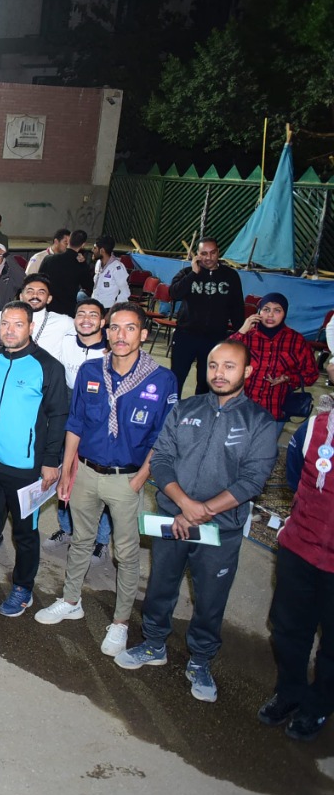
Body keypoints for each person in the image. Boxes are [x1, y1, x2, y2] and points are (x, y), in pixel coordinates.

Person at [115, 341, 276, 703]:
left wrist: (203, 511)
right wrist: (185, 504)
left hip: (220, 529)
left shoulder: (260, 422)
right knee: (161, 585)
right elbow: (161, 459)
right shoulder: (186, 408)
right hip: (173, 518)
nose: (219, 373)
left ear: (247, 372)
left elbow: (252, 481)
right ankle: (154, 643)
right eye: (213, 365)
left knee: (210, 597)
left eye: (229, 366)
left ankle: (201, 659)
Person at [36, 304, 178, 656]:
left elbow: (163, 437)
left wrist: (140, 479)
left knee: (126, 554)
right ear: (106, 331)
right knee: (81, 540)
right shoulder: (90, 371)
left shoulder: (162, 379)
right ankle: (71, 600)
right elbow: (75, 424)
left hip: (126, 479)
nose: (120, 335)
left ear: (143, 334)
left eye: (130, 328)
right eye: (114, 327)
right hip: (85, 471)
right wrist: (68, 470)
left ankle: (120, 622)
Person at [0, 301, 69, 615]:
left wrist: (50, 461)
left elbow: (58, 417)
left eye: (18, 324)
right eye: (5, 324)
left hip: (25, 468)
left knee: (25, 532)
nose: (10, 330)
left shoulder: (48, 367)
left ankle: (23, 587)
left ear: (31, 327)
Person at [261, 394, 334, 741]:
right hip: (300, 550)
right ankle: (289, 692)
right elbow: (294, 480)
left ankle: (319, 704)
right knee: (288, 629)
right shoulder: (312, 430)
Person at [48, 298, 110, 557]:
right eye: (81, 314)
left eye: (93, 315)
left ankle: (101, 539)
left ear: (103, 321)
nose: (86, 319)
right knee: (65, 472)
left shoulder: (111, 351)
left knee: (100, 480)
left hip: (99, 420)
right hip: (66, 413)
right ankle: (66, 528)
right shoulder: (64, 343)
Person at [230, 293, 319, 443]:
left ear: (285, 314)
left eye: (277, 310)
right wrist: (241, 331)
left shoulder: (296, 341)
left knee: (265, 451)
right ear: (259, 312)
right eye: (266, 309)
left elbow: (312, 375)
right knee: (234, 447)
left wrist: (289, 378)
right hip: (241, 407)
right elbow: (222, 357)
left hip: (275, 410)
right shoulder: (247, 336)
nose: (270, 315)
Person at [169, 237, 244, 395]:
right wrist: (193, 274)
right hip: (185, 335)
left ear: (218, 252)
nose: (208, 257)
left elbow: (237, 307)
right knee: (176, 378)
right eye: (204, 253)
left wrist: (240, 336)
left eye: (212, 253)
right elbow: (174, 293)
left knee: (206, 381)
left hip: (214, 338)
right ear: (197, 255)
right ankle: (171, 409)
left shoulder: (230, 276)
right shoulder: (187, 273)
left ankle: (201, 409)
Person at [40, 229, 92, 315]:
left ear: (69, 240)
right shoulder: (81, 264)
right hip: (67, 309)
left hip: (48, 306)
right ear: (83, 245)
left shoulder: (48, 259)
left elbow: (39, 280)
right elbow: (89, 286)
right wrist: (83, 264)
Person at [90, 236, 128, 309]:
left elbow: (124, 292)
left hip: (108, 308)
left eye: (95, 248)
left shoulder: (117, 267)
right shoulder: (98, 263)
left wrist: (113, 311)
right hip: (95, 305)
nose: (92, 250)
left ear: (102, 250)